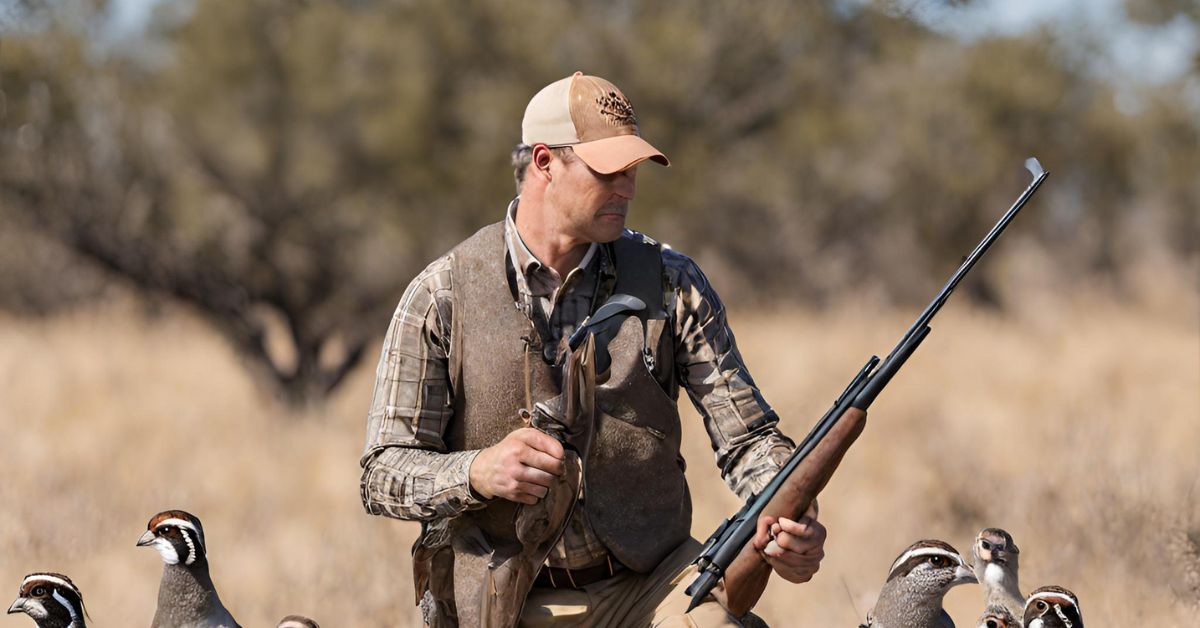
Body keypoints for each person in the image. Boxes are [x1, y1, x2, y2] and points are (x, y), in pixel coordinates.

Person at [359, 71, 827, 627]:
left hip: (652, 583)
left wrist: (790, 510)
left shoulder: (673, 283)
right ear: (543, 163)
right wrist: (477, 471)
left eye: (632, 172)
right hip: (503, 603)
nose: (627, 189)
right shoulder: (441, 296)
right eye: (608, 171)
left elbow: (747, 439)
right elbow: (381, 473)